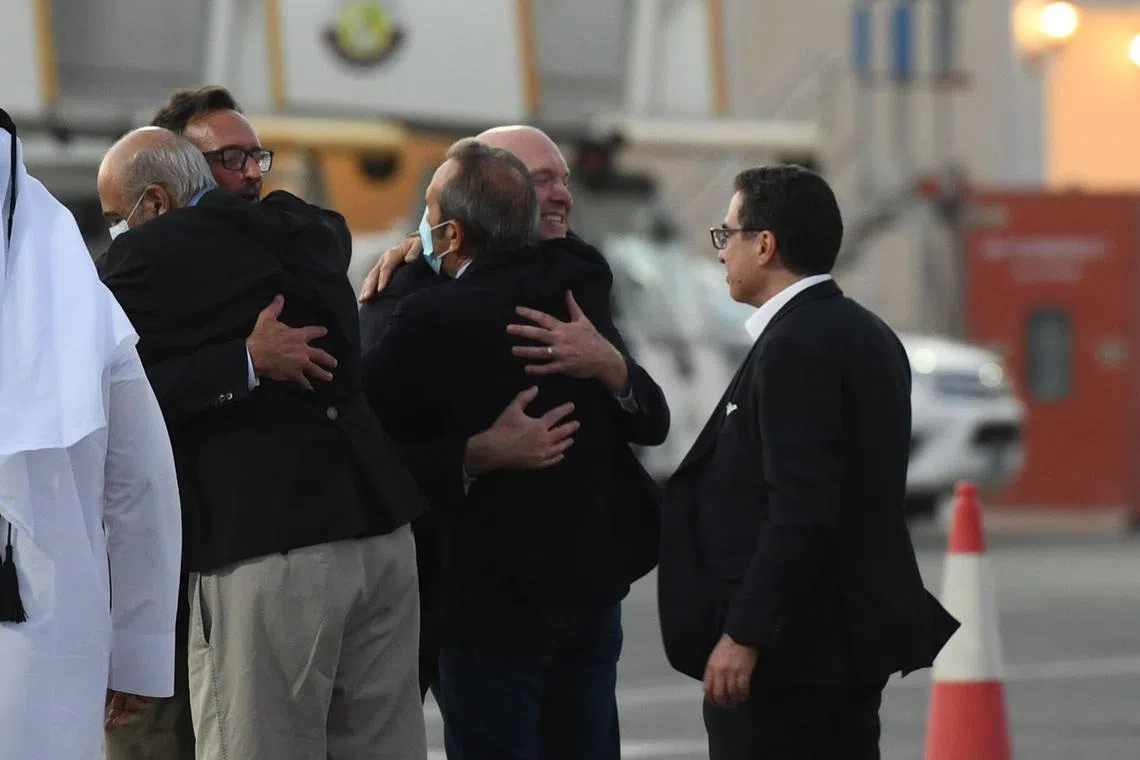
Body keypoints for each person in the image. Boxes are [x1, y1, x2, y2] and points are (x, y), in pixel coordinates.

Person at [96, 126, 428, 760]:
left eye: (118, 217)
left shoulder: (144, 259)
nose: (117, 232)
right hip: (381, 531)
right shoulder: (306, 229)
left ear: (157, 203)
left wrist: (237, 366)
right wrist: (242, 356)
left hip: (269, 547)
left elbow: (106, 393)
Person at [358, 125, 669, 756]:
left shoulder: (581, 280)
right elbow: (368, 453)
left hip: (585, 595)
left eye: (564, 179)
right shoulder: (406, 300)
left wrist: (610, 366)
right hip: (479, 599)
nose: (560, 196)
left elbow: (651, 418)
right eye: (542, 180)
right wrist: (477, 454)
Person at [656, 165, 960, 759]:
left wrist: (745, 633)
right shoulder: (869, 333)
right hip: (843, 646)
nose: (720, 254)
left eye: (728, 235)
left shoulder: (794, 346)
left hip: (793, 657)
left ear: (764, 244)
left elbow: (802, 508)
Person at [102, 87, 337, 760]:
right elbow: (112, 392)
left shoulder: (275, 249)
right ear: (174, 178)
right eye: (228, 158)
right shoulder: (130, 274)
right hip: (150, 578)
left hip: (233, 566)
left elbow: (330, 244)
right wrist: (241, 360)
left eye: (255, 155)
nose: (250, 173)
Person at [0, 110, 182, 759]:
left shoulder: (87, 310)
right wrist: (139, 656)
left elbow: (143, 489)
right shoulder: (84, 310)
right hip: (49, 638)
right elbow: (143, 492)